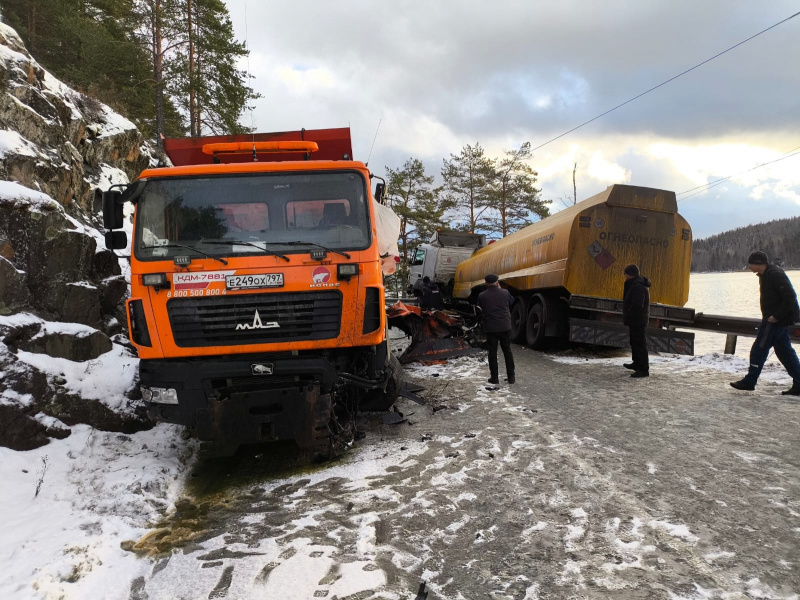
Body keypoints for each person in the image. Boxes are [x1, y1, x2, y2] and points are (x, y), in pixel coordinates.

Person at [730, 251, 800, 395]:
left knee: (759, 349)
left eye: (750, 263)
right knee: (785, 352)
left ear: (758, 263)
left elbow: (791, 296)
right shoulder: (765, 275)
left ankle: (749, 382)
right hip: (776, 320)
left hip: (774, 321)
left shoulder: (775, 274)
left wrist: (776, 316)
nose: (749, 266)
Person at [477, 273, 515, 385]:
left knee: (492, 353)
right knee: (507, 351)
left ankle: (494, 378)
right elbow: (511, 302)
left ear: (486, 283)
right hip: (505, 326)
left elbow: (479, 309)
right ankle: (511, 377)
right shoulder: (505, 292)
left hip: (491, 328)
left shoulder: (482, 295)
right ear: (497, 282)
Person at [622, 264, 651, 378]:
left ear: (631, 274)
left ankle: (643, 370)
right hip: (636, 320)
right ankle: (637, 363)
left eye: (625, 273)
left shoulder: (638, 286)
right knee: (634, 342)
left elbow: (637, 304)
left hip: (638, 320)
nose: (624, 275)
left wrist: (629, 314)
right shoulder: (635, 284)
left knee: (640, 344)